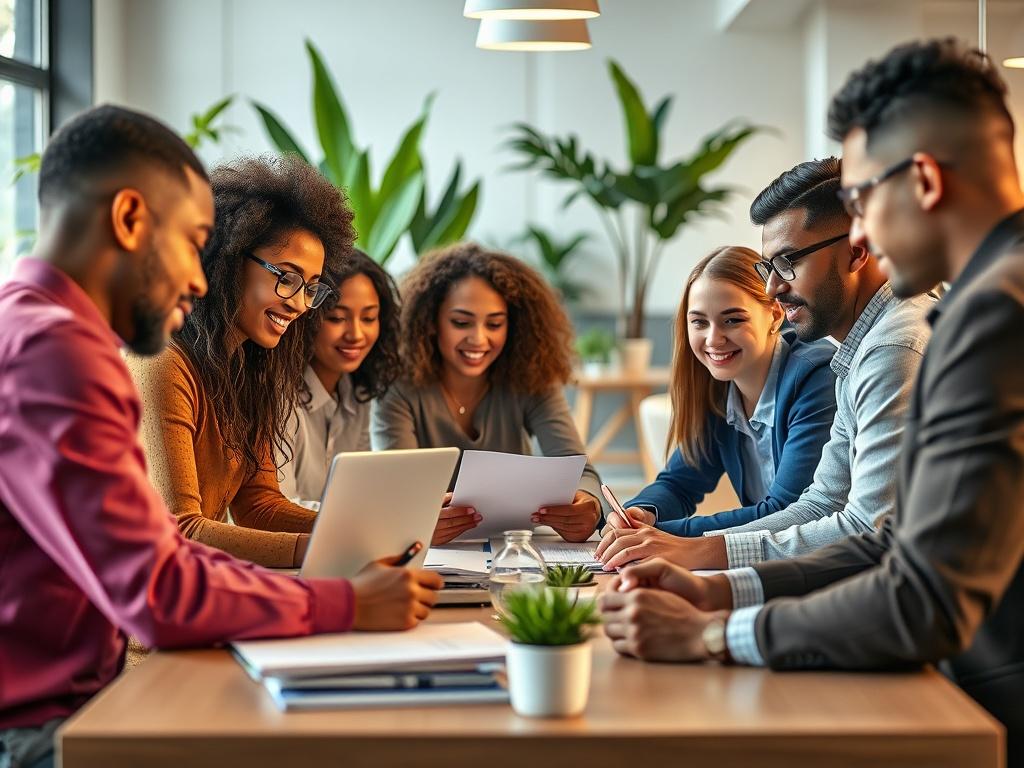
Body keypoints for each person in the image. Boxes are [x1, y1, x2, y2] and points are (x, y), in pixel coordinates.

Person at [599, 38, 1024, 765]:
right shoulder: (963, 307)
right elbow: (881, 534)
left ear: (920, 180)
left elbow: (923, 597)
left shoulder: (983, 317)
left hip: (990, 695)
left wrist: (709, 632)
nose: (861, 233)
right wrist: (720, 590)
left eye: (860, 202)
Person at [0, 105, 441, 768]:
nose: (200, 277)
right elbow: (158, 585)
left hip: (76, 698)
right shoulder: (59, 353)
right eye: (191, 243)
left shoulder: (34, 329)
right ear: (127, 219)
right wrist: (343, 598)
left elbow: (170, 554)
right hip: (48, 727)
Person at [597, 156, 934, 571]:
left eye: (788, 262)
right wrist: (662, 534)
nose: (773, 287)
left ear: (857, 251)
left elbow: (867, 528)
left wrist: (687, 548)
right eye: (768, 266)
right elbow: (822, 504)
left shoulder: (892, 348)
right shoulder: (860, 352)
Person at [127, 155, 349, 568]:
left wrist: (364, 529)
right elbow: (180, 530)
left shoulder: (246, 368)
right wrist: (330, 545)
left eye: (311, 287)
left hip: (196, 595)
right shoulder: (160, 363)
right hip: (129, 621)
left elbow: (259, 505)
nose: (300, 303)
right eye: (287, 276)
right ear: (226, 260)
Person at [372, 242, 604, 544]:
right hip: (429, 556)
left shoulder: (531, 380)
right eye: (461, 322)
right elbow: (396, 486)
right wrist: (415, 517)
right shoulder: (398, 389)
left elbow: (578, 468)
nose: (479, 338)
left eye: (495, 323)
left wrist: (589, 503)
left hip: (514, 548)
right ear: (430, 322)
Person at [616, 246, 836, 536]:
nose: (713, 339)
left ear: (774, 315)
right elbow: (678, 484)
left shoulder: (816, 377)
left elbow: (788, 510)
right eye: (699, 322)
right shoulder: (717, 388)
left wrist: (665, 536)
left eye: (732, 320)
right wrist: (640, 513)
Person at [277, 249, 401, 504]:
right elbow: (277, 509)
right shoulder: (279, 397)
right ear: (305, 318)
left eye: (369, 318)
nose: (356, 334)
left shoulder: (356, 393)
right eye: (337, 318)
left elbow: (361, 498)